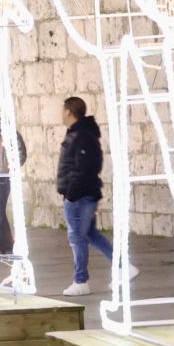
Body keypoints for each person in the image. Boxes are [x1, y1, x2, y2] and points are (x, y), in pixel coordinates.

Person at [56, 96, 128, 295]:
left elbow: (85, 168)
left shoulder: (82, 136)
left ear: (69, 111)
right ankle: (122, 267)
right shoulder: (78, 133)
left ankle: (81, 281)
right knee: (89, 234)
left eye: (63, 109)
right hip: (80, 194)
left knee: (77, 237)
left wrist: (71, 194)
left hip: (80, 196)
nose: (61, 114)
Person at [0, 101, 26, 256]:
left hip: (2, 174)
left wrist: (12, 166)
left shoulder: (9, 132)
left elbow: (21, 152)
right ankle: (7, 244)